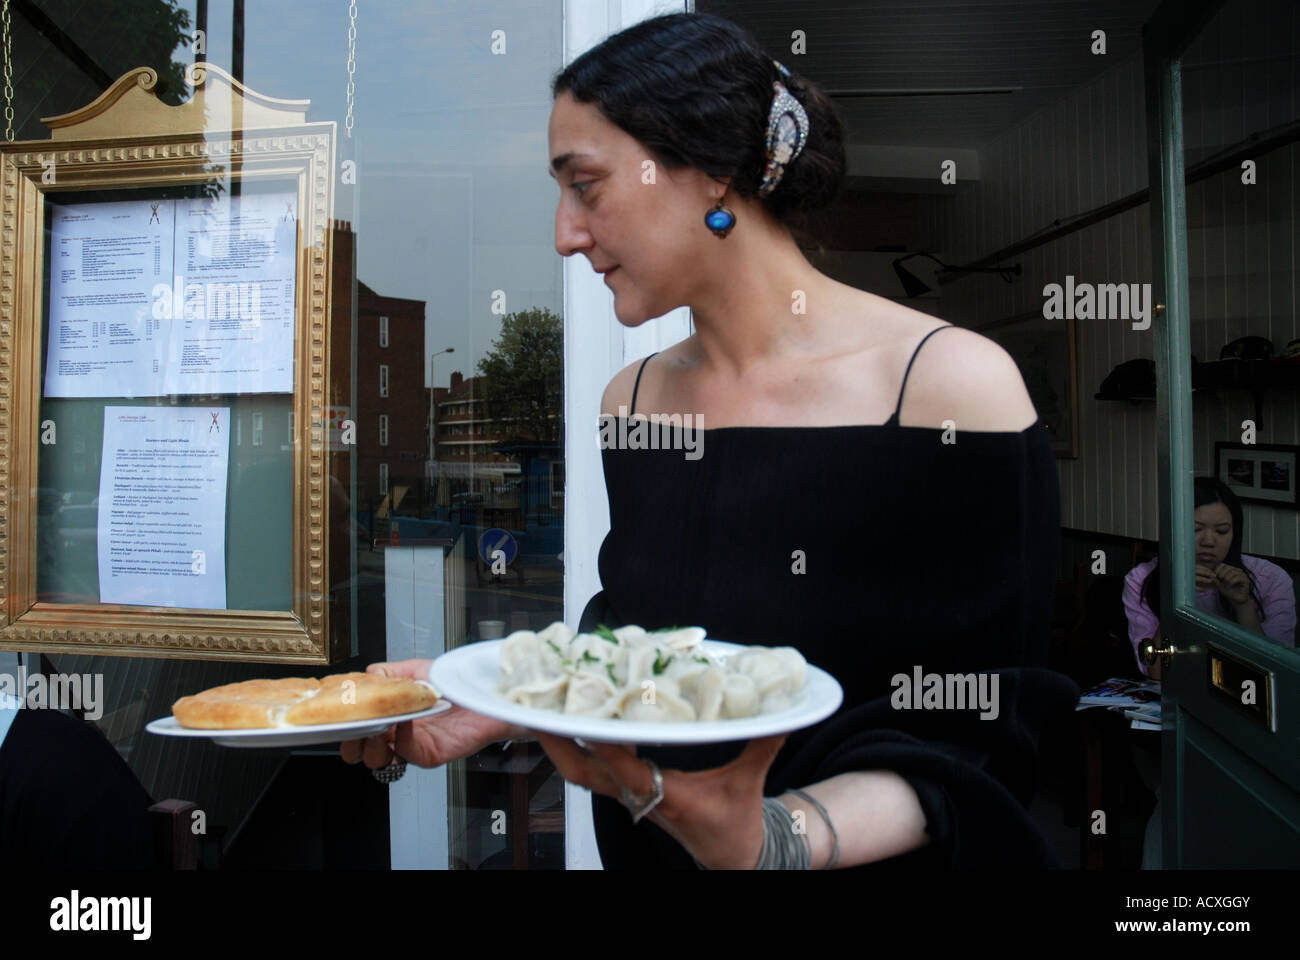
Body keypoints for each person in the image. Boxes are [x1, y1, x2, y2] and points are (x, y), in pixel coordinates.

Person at [342, 11, 1079, 869]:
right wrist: (500, 698)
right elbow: (649, 640)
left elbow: (984, 725)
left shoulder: (948, 386)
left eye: (586, 186)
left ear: (714, 173)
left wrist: (776, 840)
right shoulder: (638, 398)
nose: (564, 234)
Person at [1123, 476, 1297, 681]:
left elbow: (1275, 672)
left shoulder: (1271, 578)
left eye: (1222, 531)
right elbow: (1157, 671)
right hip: (1179, 691)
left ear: (1235, 533)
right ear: (1173, 529)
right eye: (1195, 530)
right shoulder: (1141, 579)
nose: (1209, 541)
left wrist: (1243, 606)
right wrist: (1179, 598)